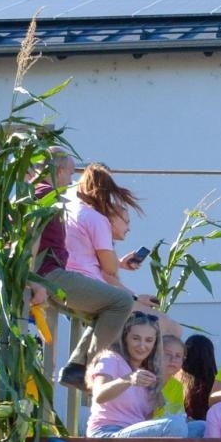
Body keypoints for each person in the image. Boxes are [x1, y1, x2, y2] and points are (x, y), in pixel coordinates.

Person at [46, 162, 155, 391]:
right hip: (79, 281)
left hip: (65, 277)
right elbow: (109, 269)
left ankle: (76, 367)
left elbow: (87, 254)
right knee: (122, 304)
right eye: (126, 221)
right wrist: (131, 292)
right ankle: (93, 369)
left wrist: (120, 263)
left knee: (106, 314)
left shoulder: (72, 211)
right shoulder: (96, 219)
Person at [85, 312, 204, 442]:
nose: (142, 346)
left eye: (149, 340)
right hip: (108, 436)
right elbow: (99, 395)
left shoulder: (149, 372)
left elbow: (150, 420)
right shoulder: (110, 359)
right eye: (136, 338)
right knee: (174, 425)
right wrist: (127, 380)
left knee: (200, 428)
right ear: (124, 337)